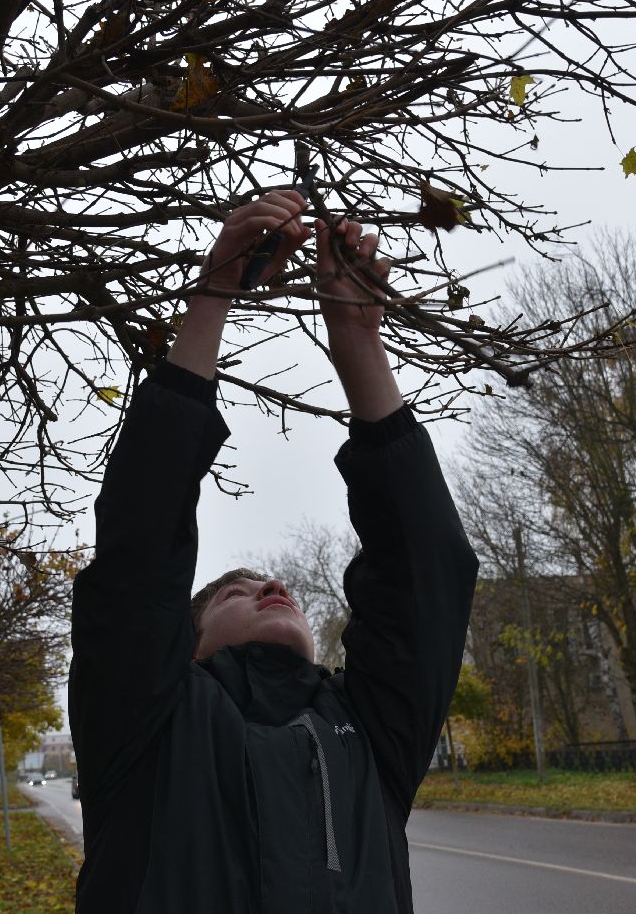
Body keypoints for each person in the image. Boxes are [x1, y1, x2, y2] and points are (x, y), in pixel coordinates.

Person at [68, 190, 477, 913]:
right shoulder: (147, 724)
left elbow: (428, 571)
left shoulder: (369, 733)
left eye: (266, 581)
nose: (270, 586)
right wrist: (213, 297)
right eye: (235, 590)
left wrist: (359, 341)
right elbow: (139, 541)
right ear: (187, 647)